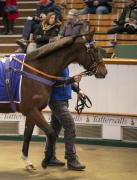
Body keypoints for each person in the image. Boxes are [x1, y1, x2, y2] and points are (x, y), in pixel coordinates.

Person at [43, 9, 88, 171]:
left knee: (54, 130)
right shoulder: (52, 64)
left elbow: (66, 80)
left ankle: (49, 157)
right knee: (70, 127)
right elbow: (54, 81)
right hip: (56, 99)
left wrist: (77, 89)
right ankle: (71, 159)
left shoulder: (62, 62)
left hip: (62, 98)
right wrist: (72, 80)